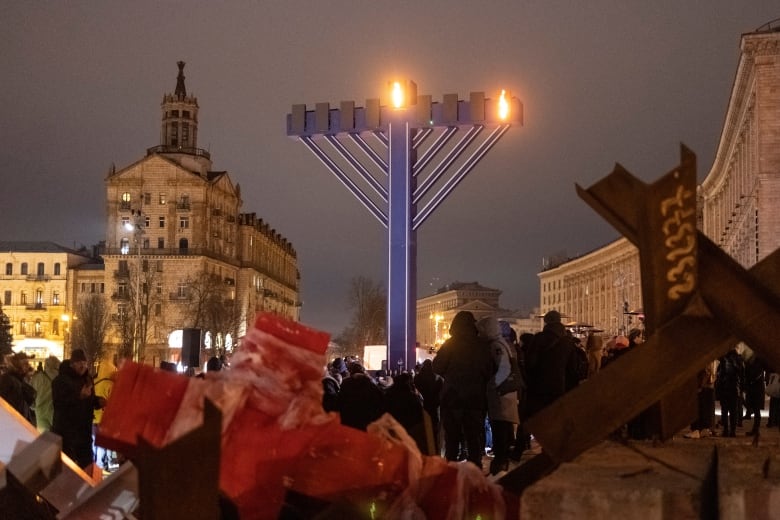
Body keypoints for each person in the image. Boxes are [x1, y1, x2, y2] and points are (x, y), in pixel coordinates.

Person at [432, 311, 494, 468]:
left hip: (452, 398)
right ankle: (475, 474)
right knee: (473, 439)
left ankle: (450, 473)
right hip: (475, 399)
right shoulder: (482, 345)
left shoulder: (450, 344)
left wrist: (450, 374)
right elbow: (490, 370)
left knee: (452, 440)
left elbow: (437, 366)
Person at [477, 317, 520, 475]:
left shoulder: (496, 345)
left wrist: (492, 385)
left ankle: (500, 463)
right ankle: (501, 461)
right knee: (501, 428)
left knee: (500, 428)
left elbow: (503, 368)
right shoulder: (501, 343)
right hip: (503, 395)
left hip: (501, 395)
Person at [52, 349, 106, 469]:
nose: (83, 365)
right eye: (79, 362)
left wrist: (97, 401)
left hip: (84, 433)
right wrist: (79, 396)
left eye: (85, 363)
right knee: (68, 470)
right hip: (67, 435)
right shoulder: (60, 381)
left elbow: (89, 399)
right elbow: (59, 403)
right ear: (72, 364)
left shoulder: (87, 379)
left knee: (87, 468)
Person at [524, 310, 581, 420]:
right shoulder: (568, 341)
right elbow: (573, 368)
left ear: (546, 322)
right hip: (559, 386)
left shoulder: (539, 338)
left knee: (539, 418)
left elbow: (530, 363)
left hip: (538, 386)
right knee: (556, 417)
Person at [384, 372, 427, 453]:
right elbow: (420, 414)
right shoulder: (413, 397)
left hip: (393, 430)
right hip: (411, 431)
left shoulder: (388, 394)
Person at [338, 362, 385, 431]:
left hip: (349, 420)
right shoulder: (371, 383)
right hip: (367, 421)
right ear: (363, 371)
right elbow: (380, 401)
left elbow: (340, 401)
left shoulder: (346, 383)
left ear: (350, 371)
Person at [414, 359, 444, 455]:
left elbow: (416, 383)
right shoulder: (438, 378)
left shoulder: (419, 378)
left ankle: (426, 448)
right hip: (435, 406)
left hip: (424, 405)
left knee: (425, 428)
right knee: (435, 428)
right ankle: (435, 447)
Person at [93, 361, 118, 471]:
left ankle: (96, 465)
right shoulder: (110, 385)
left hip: (93, 418)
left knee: (94, 443)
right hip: (106, 419)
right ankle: (104, 466)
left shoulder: (94, 382)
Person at [715, 346, 744, 438]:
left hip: (725, 388)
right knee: (733, 411)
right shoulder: (738, 360)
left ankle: (726, 430)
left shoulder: (724, 359)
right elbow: (742, 374)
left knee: (725, 410)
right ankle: (732, 431)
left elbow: (720, 374)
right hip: (734, 389)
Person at [0, 352, 37, 425]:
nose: (28, 366)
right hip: (12, 423)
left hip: (18, 422)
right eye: (25, 364)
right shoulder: (8, 379)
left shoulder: (19, 379)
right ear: (17, 365)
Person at [684, 360, 717, 439]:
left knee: (700, 409)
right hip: (709, 386)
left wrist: (700, 386)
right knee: (706, 410)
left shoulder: (706, 360)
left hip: (703, 387)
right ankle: (704, 430)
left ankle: (696, 430)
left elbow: (705, 372)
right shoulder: (713, 360)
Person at [29, 355, 61, 432]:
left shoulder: (37, 378)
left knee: (43, 440)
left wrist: (34, 407)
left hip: (40, 413)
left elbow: (29, 395)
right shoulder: (60, 378)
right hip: (55, 413)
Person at [742, 352, 767, 436]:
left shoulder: (758, 361)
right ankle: (755, 429)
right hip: (752, 388)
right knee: (754, 408)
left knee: (756, 410)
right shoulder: (751, 361)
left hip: (756, 389)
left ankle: (756, 430)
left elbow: (755, 374)